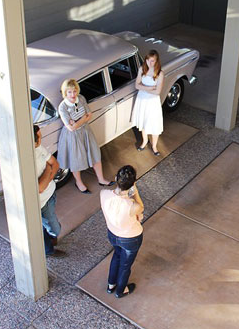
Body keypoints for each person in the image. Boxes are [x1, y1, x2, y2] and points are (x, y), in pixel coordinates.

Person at [57, 79, 113, 194]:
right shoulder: (62, 107)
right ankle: (79, 183)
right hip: (73, 136)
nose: (73, 95)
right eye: (69, 92)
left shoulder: (81, 98)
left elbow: (89, 114)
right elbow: (71, 128)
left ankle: (101, 179)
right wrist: (83, 119)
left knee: (95, 154)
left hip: (86, 131)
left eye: (74, 91)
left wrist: (76, 122)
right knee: (75, 160)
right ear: (65, 93)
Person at [101, 165, 144, 298]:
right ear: (132, 184)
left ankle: (111, 285)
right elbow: (141, 207)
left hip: (112, 234)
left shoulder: (103, 194)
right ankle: (121, 291)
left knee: (117, 255)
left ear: (116, 178)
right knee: (125, 266)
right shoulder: (132, 206)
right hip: (130, 238)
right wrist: (135, 191)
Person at [34, 124, 65, 258]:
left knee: (48, 224)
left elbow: (55, 164)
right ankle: (49, 248)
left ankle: (48, 242)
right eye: (39, 137)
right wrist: (48, 169)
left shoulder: (37, 147)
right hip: (42, 204)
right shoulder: (28, 160)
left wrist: (47, 179)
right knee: (55, 229)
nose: (41, 139)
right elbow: (40, 188)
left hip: (51, 194)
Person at [131, 49, 164, 156]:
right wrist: (150, 88)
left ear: (156, 61)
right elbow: (136, 85)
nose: (150, 63)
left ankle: (154, 146)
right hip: (142, 100)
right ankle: (144, 141)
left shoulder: (160, 73)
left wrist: (143, 88)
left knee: (154, 124)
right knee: (144, 121)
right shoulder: (142, 69)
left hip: (152, 102)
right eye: (148, 60)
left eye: (153, 61)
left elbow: (158, 92)